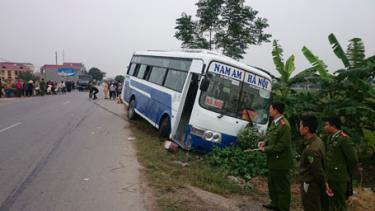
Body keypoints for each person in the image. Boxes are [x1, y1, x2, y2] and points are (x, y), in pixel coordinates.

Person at [258, 102, 294, 211]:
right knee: (272, 184)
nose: (269, 111)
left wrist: (266, 149)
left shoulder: (284, 125)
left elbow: (282, 145)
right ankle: (275, 203)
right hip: (273, 160)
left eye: (271, 109)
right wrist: (264, 142)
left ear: (276, 110)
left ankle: (283, 207)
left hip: (281, 162)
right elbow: (272, 136)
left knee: (282, 187)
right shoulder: (275, 123)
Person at [324, 117, 358, 211]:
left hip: (339, 176)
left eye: (326, 125)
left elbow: (352, 158)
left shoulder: (344, 139)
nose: (324, 127)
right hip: (330, 175)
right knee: (331, 202)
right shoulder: (330, 138)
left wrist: (346, 170)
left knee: (340, 203)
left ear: (333, 126)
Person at [299, 115, 332, 211]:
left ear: (306, 129)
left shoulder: (312, 149)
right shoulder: (318, 141)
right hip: (315, 184)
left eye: (300, 125)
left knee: (311, 207)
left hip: (311, 185)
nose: (299, 128)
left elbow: (317, 170)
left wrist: (324, 184)